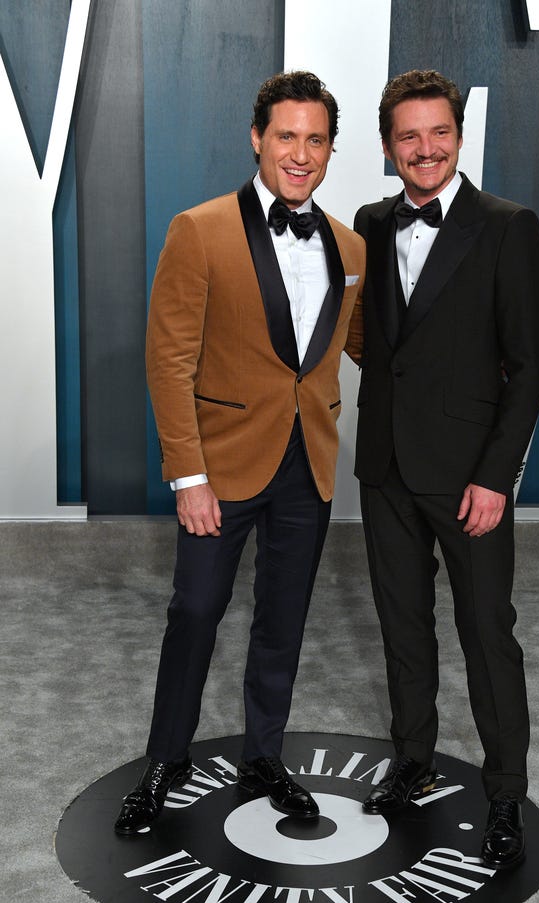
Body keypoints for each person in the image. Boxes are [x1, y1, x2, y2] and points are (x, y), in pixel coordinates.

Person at [115, 71, 364, 835]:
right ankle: (166, 759)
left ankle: (264, 755)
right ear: (257, 138)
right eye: (286, 136)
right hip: (219, 467)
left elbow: (361, 348)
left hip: (308, 462)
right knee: (195, 611)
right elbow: (169, 361)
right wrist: (188, 475)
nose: (300, 153)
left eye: (315, 139)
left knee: (283, 620)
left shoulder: (350, 245)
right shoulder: (200, 229)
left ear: (331, 149)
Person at [352, 69, 539, 869]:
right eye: (409, 135)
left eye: (439, 132)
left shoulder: (507, 226)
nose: (425, 148)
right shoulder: (370, 222)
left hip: (470, 474)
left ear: (460, 137)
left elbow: (528, 367)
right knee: (403, 627)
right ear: (388, 146)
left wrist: (496, 476)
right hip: (385, 467)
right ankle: (413, 760)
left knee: (486, 633)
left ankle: (505, 793)